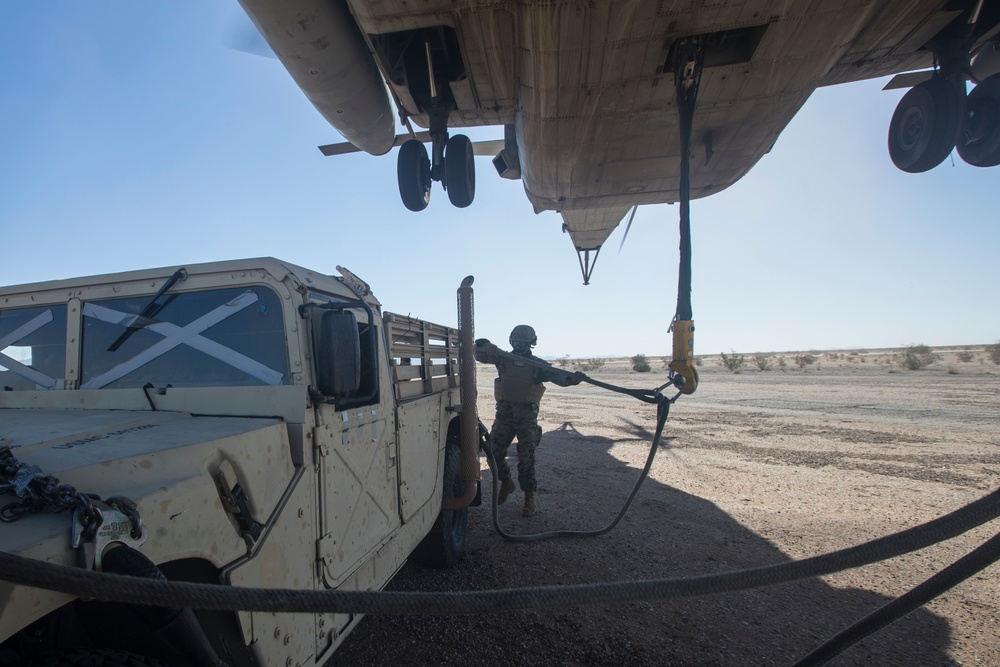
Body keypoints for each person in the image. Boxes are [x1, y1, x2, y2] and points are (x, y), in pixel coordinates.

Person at [475, 325, 583, 516]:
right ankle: (506, 482)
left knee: (526, 458)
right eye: (516, 341)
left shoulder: (538, 365)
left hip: (526, 419)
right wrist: (485, 345)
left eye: (523, 342)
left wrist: (573, 379)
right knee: (494, 452)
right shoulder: (502, 358)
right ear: (511, 341)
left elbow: (560, 378)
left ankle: (529, 497)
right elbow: (480, 353)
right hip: (504, 416)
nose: (519, 344)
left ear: (531, 343)